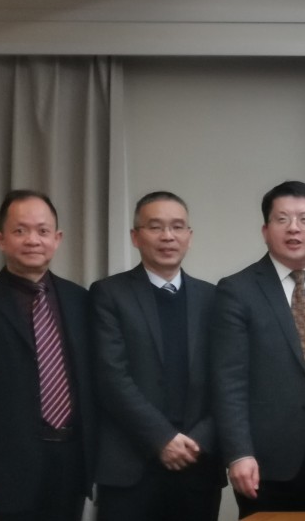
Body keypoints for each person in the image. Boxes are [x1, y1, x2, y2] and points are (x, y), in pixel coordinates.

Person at [0, 190, 95, 521]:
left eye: (42, 230)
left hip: (70, 469)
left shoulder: (82, 301)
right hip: (3, 478)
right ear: (0, 239)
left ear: (57, 238)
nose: (33, 240)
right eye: (20, 230)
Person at [211, 181, 305, 515]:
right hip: (267, 459)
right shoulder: (237, 291)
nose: (293, 228)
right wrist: (239, 453)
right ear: (265, 230)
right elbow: (228, 381)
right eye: (282, 219)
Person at [91, 191, 224, 521]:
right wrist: (162, 439)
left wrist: (198, 441)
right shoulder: (109, 294)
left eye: (177, 227)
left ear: (189, 236)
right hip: (130, 464)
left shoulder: (213, 298)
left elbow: (227, 378)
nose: (168, 236)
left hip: (197, 463)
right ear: (135, 237)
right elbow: (111, 377)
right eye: (155, 227)